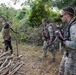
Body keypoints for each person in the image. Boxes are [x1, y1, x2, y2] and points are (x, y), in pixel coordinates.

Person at [58, 6, 76, 75]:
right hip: (67, 54)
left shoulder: (74, 27)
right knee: (61, 71)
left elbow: (75, 44)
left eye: (62, 15)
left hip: (73, 58)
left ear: (67, 15)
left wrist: (64, 41)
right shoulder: (68, 25)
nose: (60, 17)